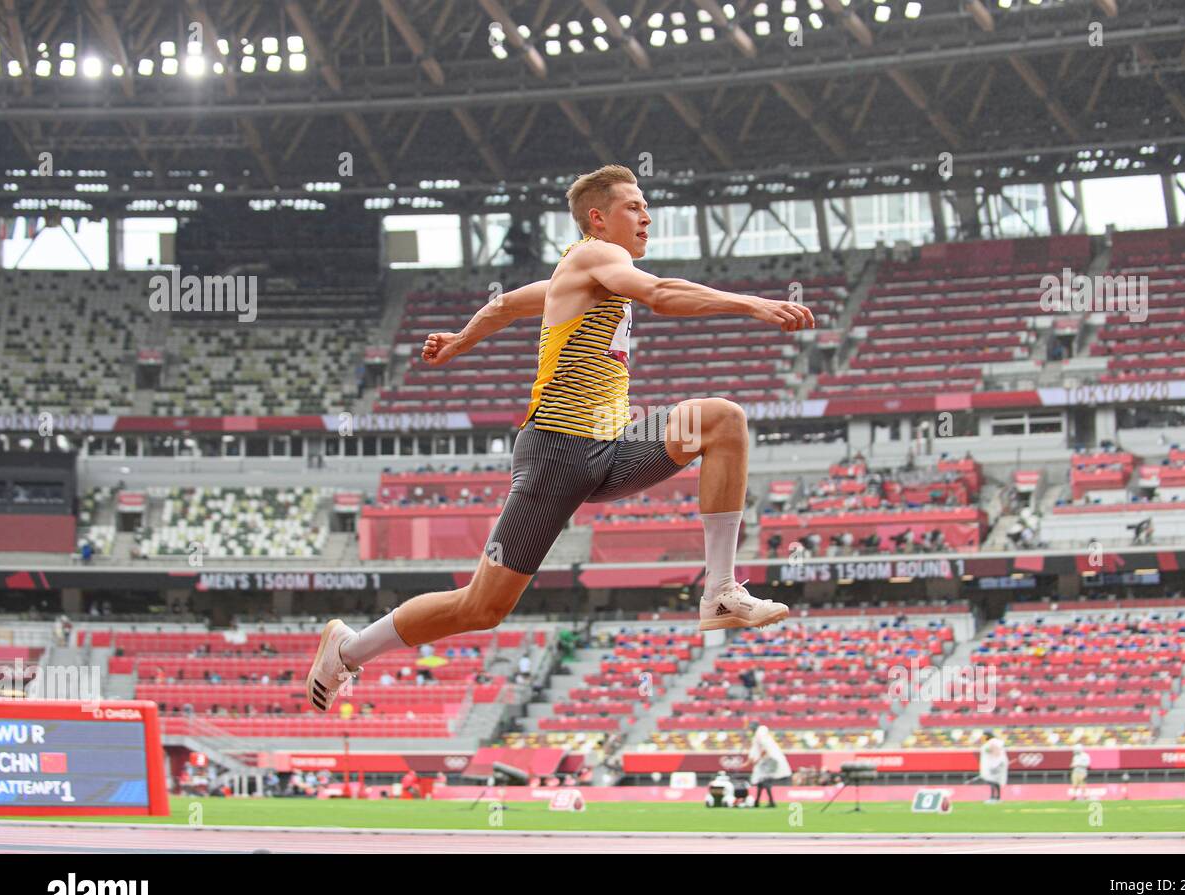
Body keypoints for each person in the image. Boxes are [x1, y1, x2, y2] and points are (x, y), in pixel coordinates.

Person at [306, 164, 813, 712]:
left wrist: (459, 341)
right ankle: (349, 647)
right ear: (598, 219)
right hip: (557, 449)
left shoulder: (586, 276)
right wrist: (753, 304)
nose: (647, 216)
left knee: (722, 421)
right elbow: (661, 293)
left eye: (646, 206)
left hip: (611, 445)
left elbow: (503, 305)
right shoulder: (594, 255)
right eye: (633, 207)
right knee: (480, 608)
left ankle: (720, 591)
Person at [747, 721, 791, 808]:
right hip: (770, 760)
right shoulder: (761, 735)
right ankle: (759, 802)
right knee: (761, 782)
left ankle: (769, 802)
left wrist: (758, 759)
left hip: (770, 761)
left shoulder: (760, 736)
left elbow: (764, 749)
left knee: (765, 781)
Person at [978, 731, 1008, 803]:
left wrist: (995, 763)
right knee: (994, 781)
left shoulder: (993, 742)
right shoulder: (990, 742)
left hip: (994, 764)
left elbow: (996, 751)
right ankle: (997, 797)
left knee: (992, 780)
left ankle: (993, 797)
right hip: (992, 764)